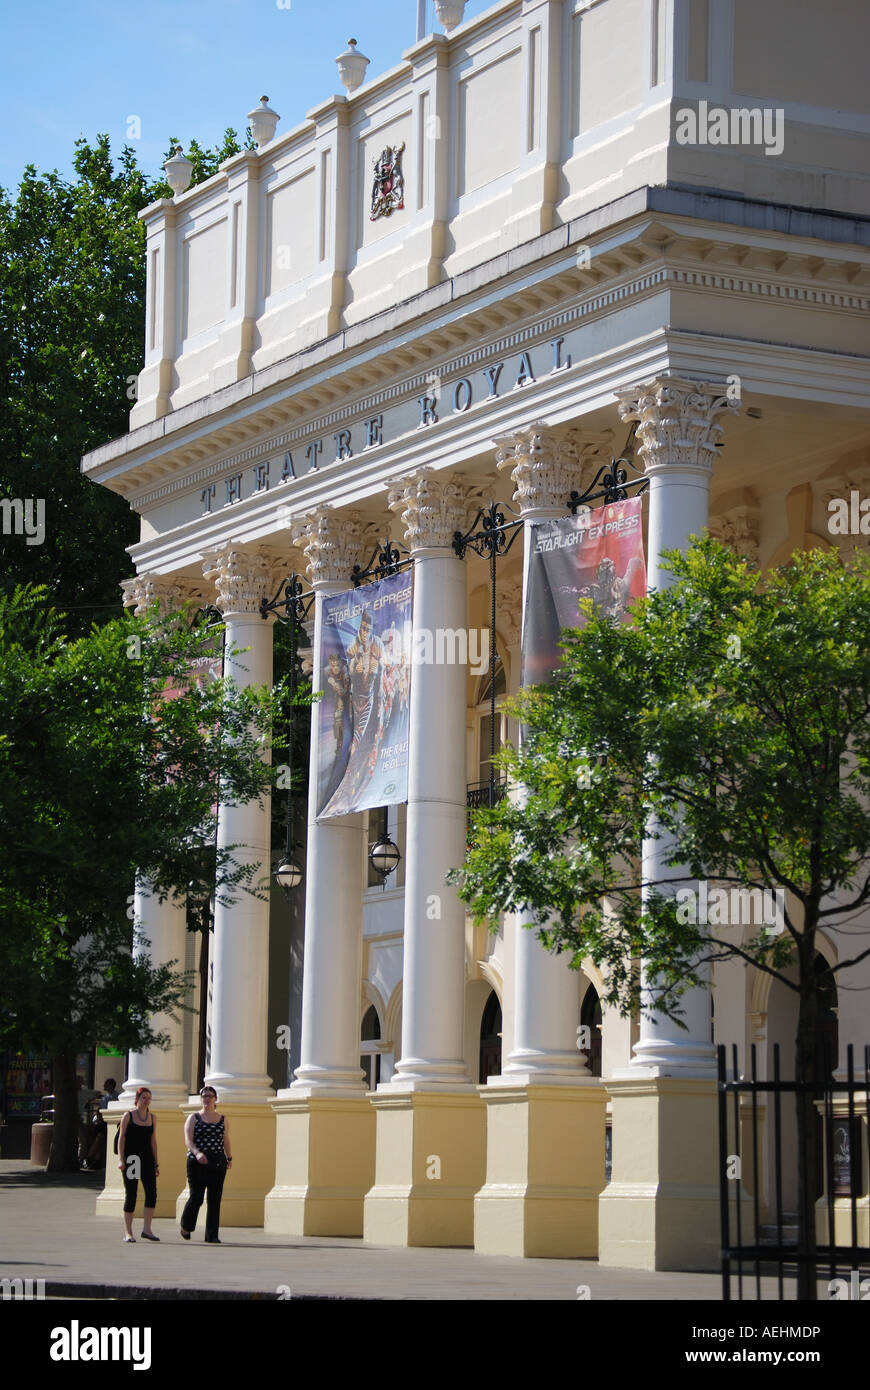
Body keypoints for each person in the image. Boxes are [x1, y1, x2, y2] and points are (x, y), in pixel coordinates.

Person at [180, 1086, 232, 1244]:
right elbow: (188, 1140)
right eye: (204, 1096)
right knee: (196, 1197)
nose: (207, 1099)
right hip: (197, 1162)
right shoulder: (194, 1118)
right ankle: (186, 1226)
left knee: (215, 1199)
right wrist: (197, 1153)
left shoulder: (222, 1119)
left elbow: (226, 1140)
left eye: (210, 1096)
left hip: (217, 1161)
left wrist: (229, 1157)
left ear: (215, 1099)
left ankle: (212, 1235)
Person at [117, 1086, 160, 1243]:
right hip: (132, 1159)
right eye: (144, 1097)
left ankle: (147, 1230)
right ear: (137, 1099)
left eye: (149, 1098)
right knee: (132, 1194)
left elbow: (153, 1141)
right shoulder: (128, 1116)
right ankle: (128, 1232)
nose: (146, 1101)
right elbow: (122, 1138)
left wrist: (156, 1163)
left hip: (147, 1160)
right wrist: (121, 1159)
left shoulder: (152, 1118)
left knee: (151, 1193)